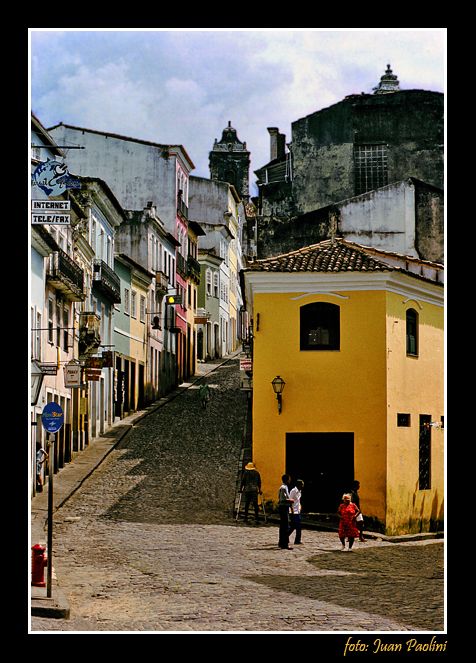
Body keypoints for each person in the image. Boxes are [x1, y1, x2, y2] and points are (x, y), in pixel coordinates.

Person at [278, 474, 294, 549]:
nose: (290, 480)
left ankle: (282, 542)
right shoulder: (283, 488)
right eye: (289, 479)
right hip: (283, 507)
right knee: (285, 526)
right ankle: (284, 543)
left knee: (283, 526)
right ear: (287, 480)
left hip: (284, 507)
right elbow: (282, 499)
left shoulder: (285, 487)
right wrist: (291, 500)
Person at [288, 479, 304, 545]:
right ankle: (295, 540)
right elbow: (290, 501)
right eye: (302, 484)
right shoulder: (293, 491)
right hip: (293, 511)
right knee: (295, 526)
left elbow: (298, 501)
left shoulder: (299, 491)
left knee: (296, 526)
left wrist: (300, 507)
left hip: (297, 511)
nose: (303, 486)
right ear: (299, 485)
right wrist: (292, 511)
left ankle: (297, 540)